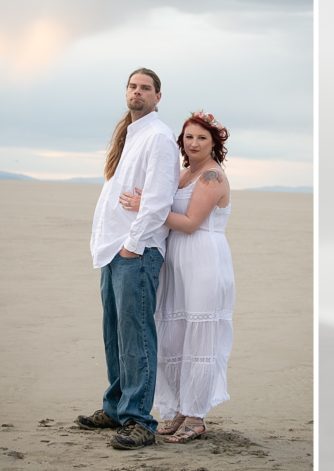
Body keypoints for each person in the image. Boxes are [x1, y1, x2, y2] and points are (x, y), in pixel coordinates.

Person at [76, 67, 179, 450]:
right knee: (114, 335)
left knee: (136, 337)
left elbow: (157, 200)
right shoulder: (130, 135)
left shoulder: (158, 137)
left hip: (136, 251)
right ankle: (117, 407)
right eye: (133, 86)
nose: (138, 92)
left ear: (157, 96)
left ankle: (140, 420)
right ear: (126, 92)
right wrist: (110, 246)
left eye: (146, 88)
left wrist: (133, 244)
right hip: (113, 250)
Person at [120, 111, 236, 444]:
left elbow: (189, 223)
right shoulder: (184, 174)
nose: (194, 143)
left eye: (202, 137)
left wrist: (147, 207)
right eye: (188, 137)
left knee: (200, 337)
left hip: (203, 258)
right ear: (181, 142)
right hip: (176, 260)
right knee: (173, 335)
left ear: (214, 142)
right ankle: (178, 411)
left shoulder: (212, 177)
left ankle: (196, 416)